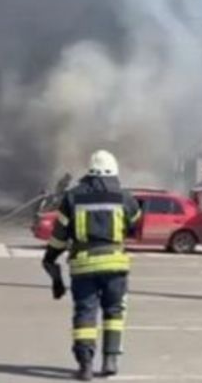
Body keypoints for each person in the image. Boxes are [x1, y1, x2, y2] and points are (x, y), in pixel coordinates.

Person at [42, 150, 141, 381]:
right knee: (114, 312)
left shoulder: (72, 197)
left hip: (84, 266)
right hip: (115, 264)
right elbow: (135, 225)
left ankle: (85, 365)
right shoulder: (124, 197)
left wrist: (50, 258)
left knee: (85, 314)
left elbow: (59, 236)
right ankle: (110, 360)